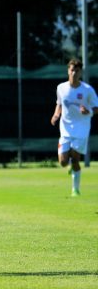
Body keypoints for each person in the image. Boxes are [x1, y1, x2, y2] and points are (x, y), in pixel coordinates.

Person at [50, 58, 98, 196]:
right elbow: (59, 103)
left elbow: (96, 108)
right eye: (72, 70)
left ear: (80, 72)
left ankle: (75, 189)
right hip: (65, 128)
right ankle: (68, 165)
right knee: (63, 162)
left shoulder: (87, 90)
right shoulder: (61, 87)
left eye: (77, 71)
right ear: (68, 71)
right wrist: (55, 115)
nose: (74, 73)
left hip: (82, 129)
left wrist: (88, 111)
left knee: (76, 159)